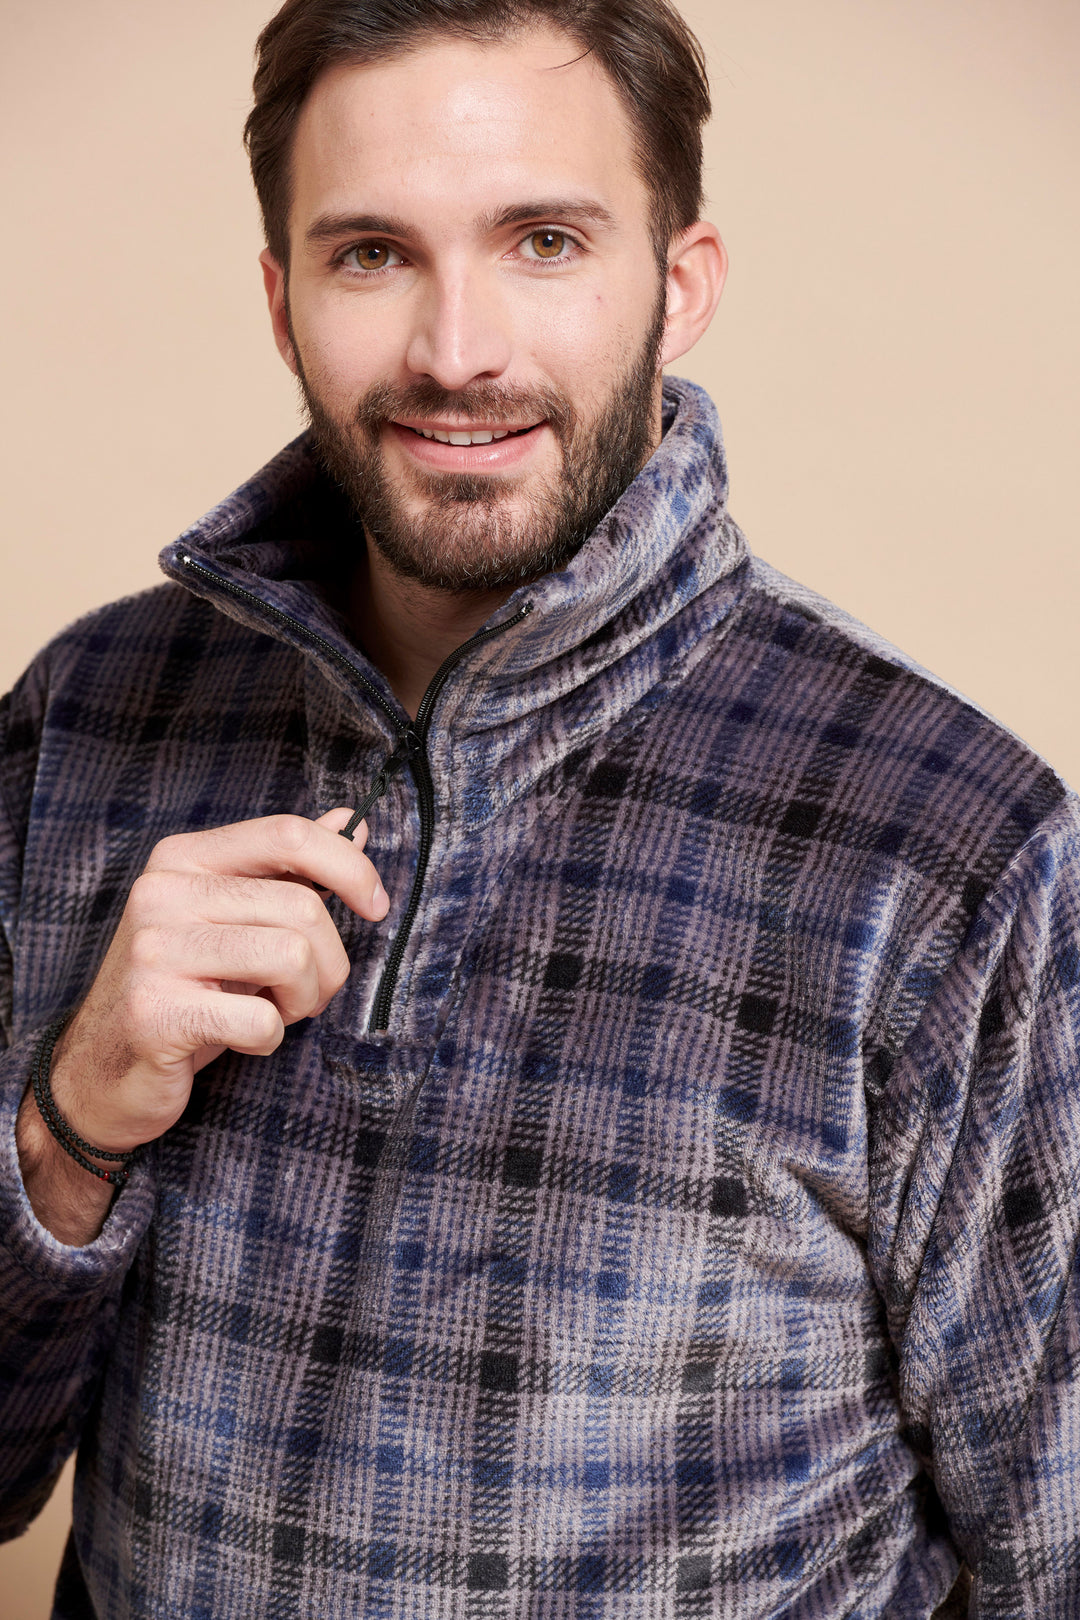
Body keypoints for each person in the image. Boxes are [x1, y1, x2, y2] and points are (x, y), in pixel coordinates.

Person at [2, 0, 1078, 1613]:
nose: (458, 351)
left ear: (679, 284)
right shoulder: (85, 724)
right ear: (283, 302)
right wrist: (65, 1130)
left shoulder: (953, 848)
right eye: (374, 254)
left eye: (545, 243)